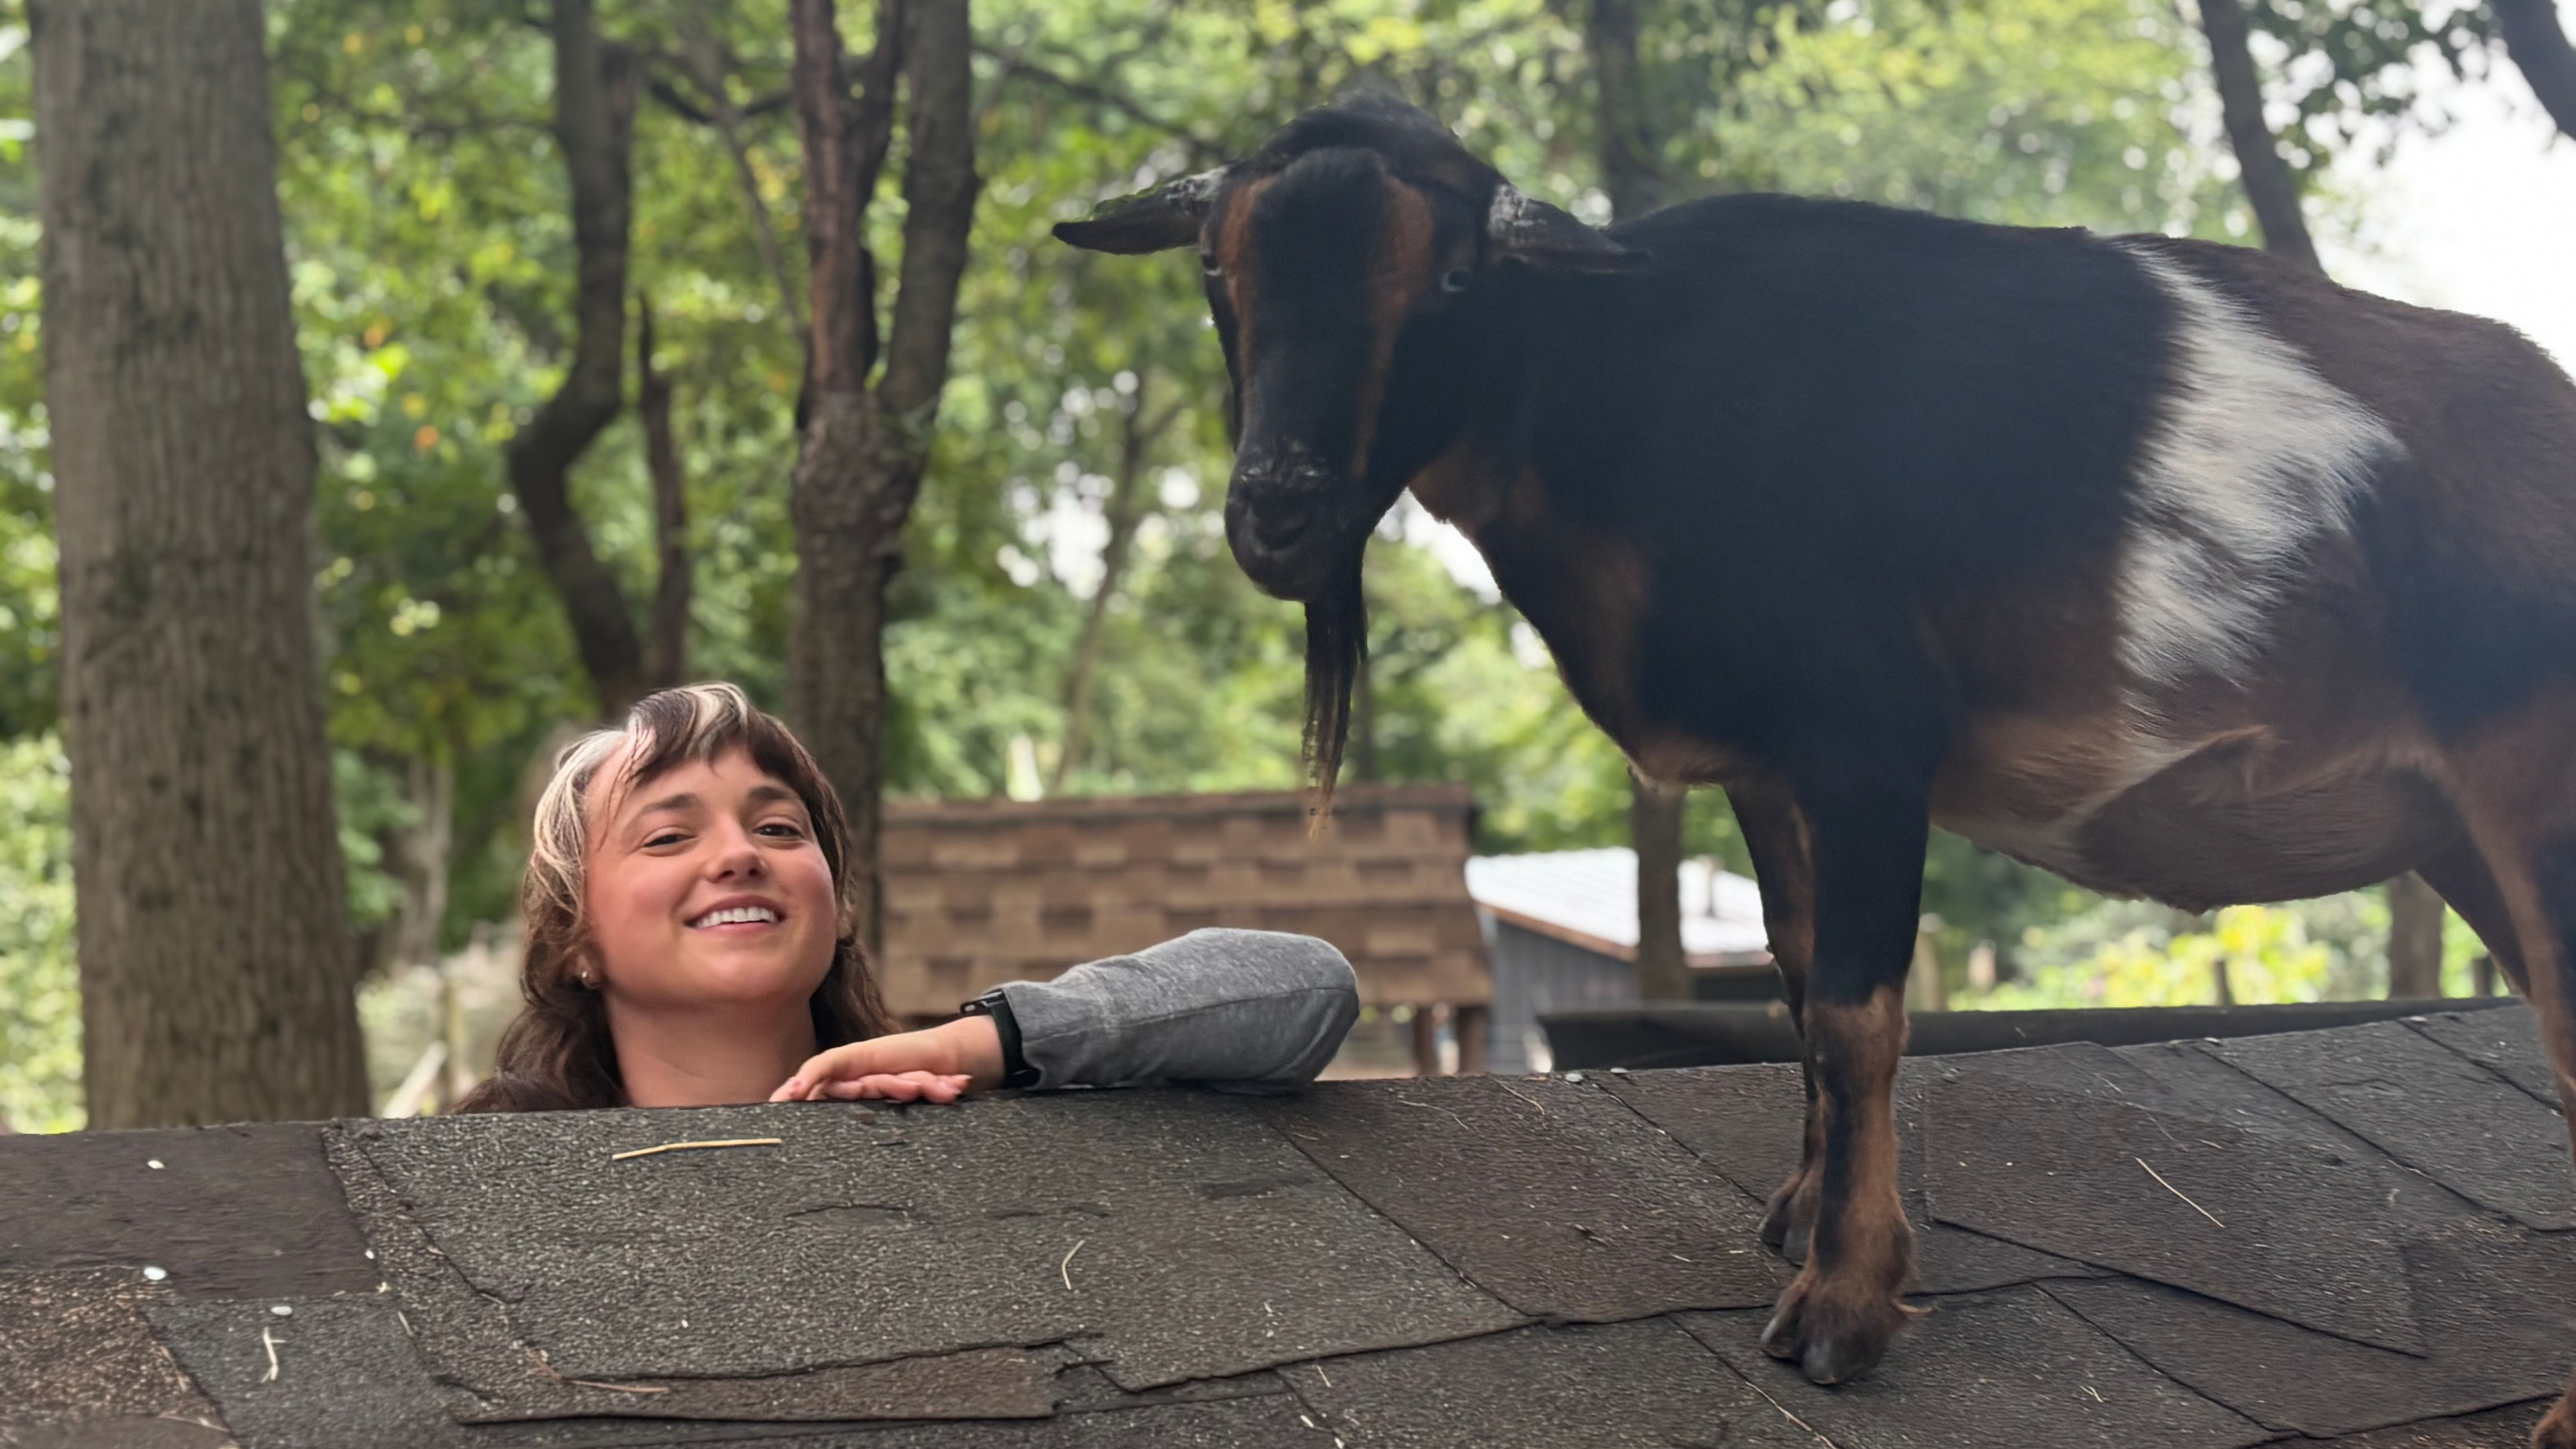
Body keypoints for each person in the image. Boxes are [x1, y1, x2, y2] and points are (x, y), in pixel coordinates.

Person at [454, 683, 1359, 1113]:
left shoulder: (946, 1093)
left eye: (777, 827)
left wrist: (983, 1045)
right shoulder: (483, 1169)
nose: (738, 854)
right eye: (669, 834)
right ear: (578, 939)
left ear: (837, 905)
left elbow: (1307, 988)